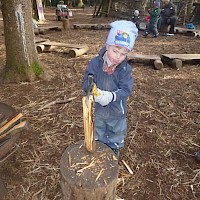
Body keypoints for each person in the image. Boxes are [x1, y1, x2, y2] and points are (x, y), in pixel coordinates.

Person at [82, 20, 138, 158]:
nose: (118, 57)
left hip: (117, 111)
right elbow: (87, 80)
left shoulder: (125, 69)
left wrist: (111, 96)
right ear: (107, 46)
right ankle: (100, 147)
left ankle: (114, 149)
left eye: (123, 54)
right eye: (115, 51)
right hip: (100, 110)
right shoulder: (95, 63)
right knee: (99, 129)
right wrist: (91, 89)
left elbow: (126, 90)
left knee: (116, 131)